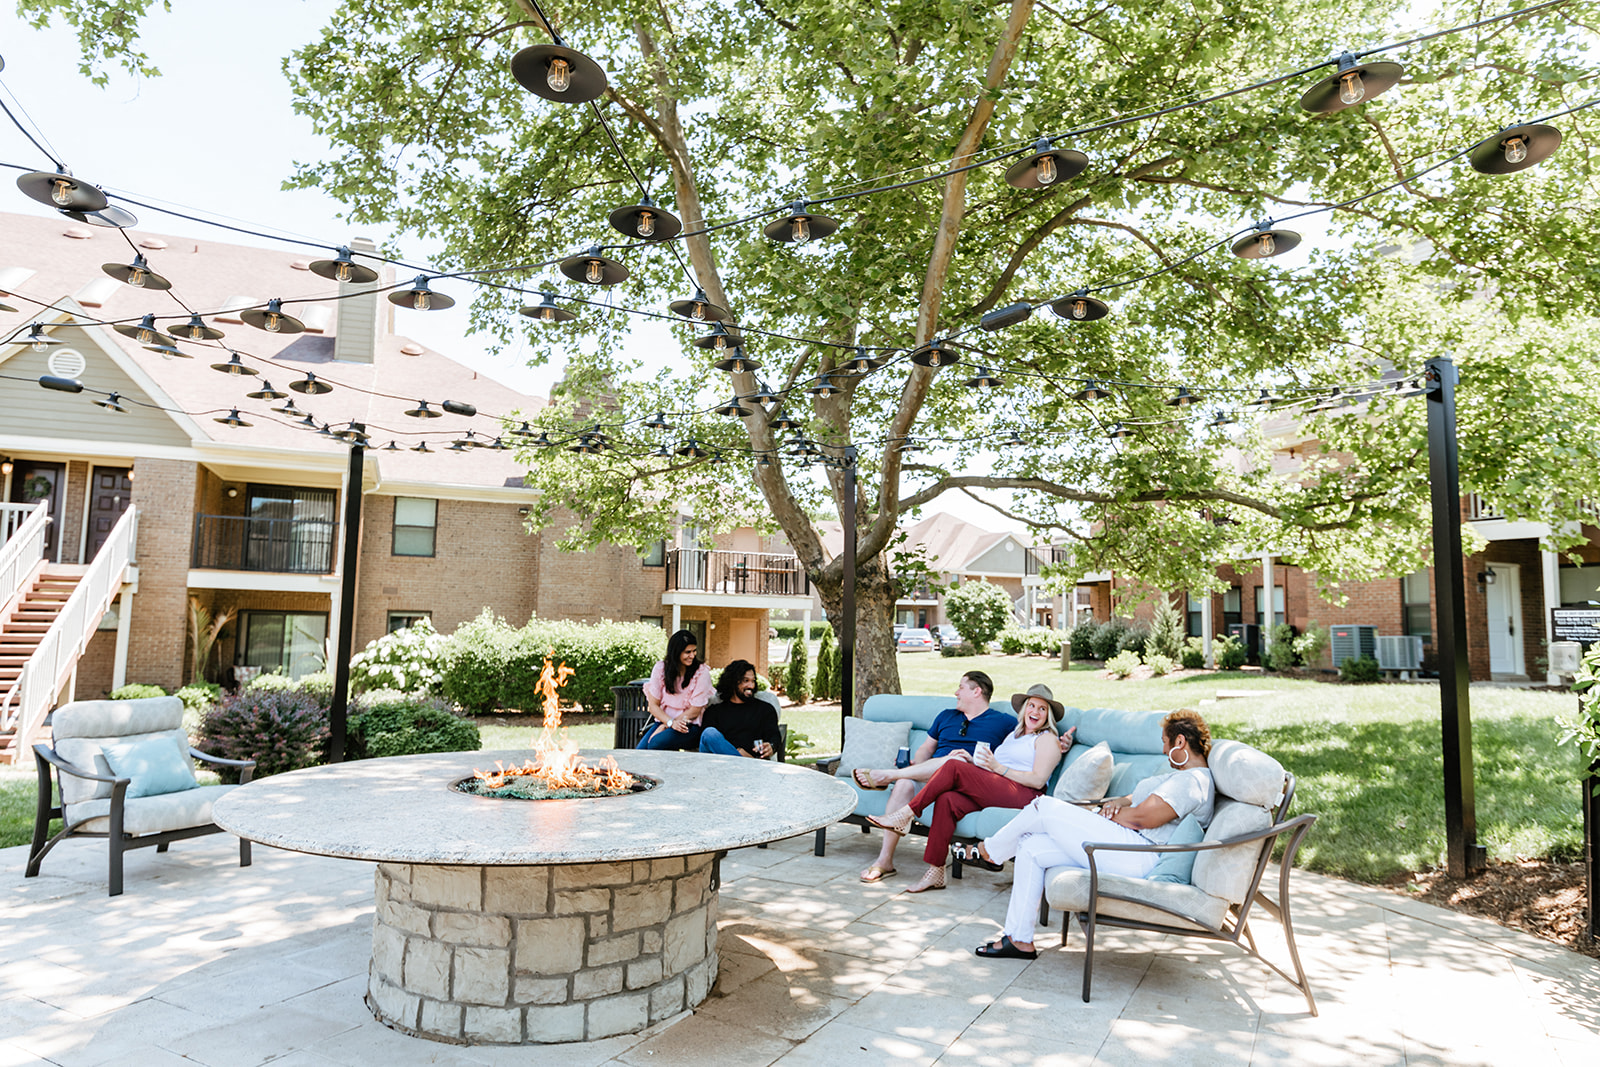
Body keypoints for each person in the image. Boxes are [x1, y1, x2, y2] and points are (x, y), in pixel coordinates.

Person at [961, 709, 1215, 960]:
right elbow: (1137, 801)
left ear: (1180, 741)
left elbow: (1140, 818)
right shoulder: (1184, 777)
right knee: (1031, 846)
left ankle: (989, 851)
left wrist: (1107, 814)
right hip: (1128, 844)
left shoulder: (1192, 781)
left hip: (1140, 853)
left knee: (1043, 807)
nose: (1163, 750)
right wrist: (1118, 802)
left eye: (1165, 742)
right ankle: (1019, 940)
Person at [866, 684, 1070, 893]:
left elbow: (1038, 780)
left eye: (1042, 708)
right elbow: (995, 769)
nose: (1035, 712)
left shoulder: (1047, 739)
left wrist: (998, 768)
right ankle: (936, 871)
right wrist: (974, 762)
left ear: (1048, 716)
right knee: (947, 799)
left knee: (953, 766)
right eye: (1032, 705)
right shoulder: (1015, 735)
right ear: (1024, 709)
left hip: (1024, 795)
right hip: (999, 787)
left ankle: (905, 814)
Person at [852, 670, 1016, 883]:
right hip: (931, 777)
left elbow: (1025, 744)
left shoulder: (1003, 722)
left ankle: (888, 776)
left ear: (977, 691)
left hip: (966, 782)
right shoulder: (946, 715)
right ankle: (884, 861)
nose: (956, 692)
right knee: (904, 784)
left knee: (955, 761)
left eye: (961, 687)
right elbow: (926, 748)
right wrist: (918, 766)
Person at [637, 629, 712, 751]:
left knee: (656, 742)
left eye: (694, 651)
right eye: (688, 652)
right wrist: (669, 723)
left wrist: (667, 726)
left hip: (688, 726)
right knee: (639, 753)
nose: (692, 656)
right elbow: (653, 705)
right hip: (665, 722)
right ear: (676, 652)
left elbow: (695, 711)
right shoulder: (660, 669)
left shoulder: (701, 672)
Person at [699, 659, 781, 759]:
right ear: (733, 682)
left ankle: (745, 761)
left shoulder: (765, 709)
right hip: (720, 764)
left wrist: (771, 746)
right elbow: (707, 743)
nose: (751, 686)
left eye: (753, 681)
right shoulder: (714, 712)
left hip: (753, 763)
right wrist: (738, 752)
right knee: (709, 733)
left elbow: (774, 736)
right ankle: (745, 760)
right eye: (746, 681)